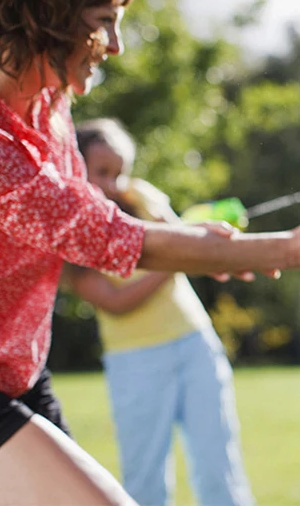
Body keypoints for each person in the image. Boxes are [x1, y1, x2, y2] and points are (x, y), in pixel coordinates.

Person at [0, 0, 300, 506]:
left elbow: (96, 216)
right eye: (101, 21)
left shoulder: (49, 106)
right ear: (43, 18)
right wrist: (288, 250)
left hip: (19, 369)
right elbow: (114, 240)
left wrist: (199, 238)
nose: (116, 45)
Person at [61, 117, 254, 506]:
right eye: (101, 172)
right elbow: (116, 303)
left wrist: (196, 249)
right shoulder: (67, 232)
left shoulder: (142, 196)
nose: (114, 184)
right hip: (135, 361)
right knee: (145, 478)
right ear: (74, 166)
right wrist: (173, 262)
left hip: (193, 341)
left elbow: (185, 243)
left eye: (120, 172)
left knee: (219, 467)